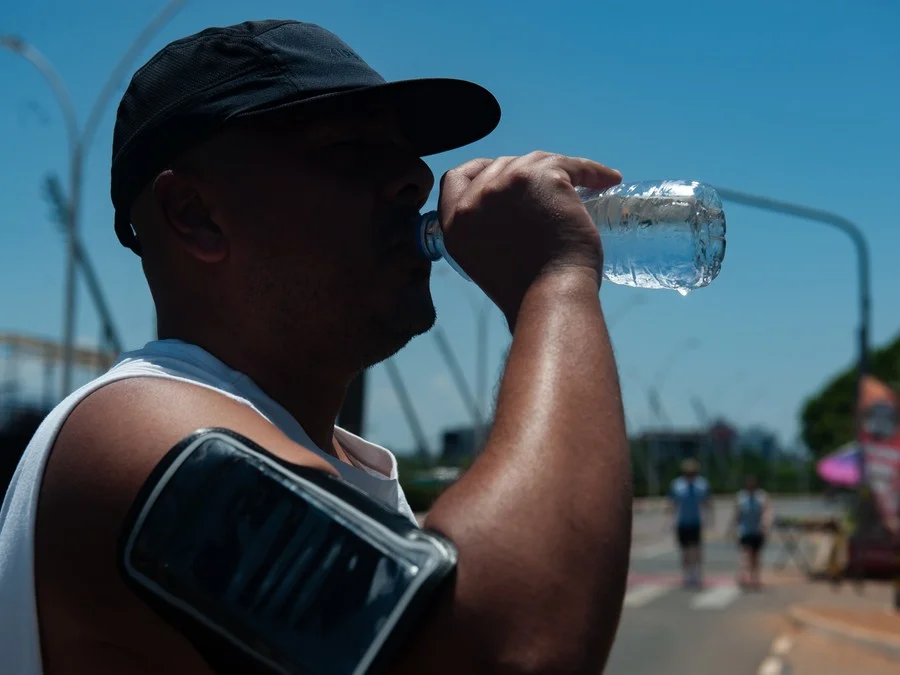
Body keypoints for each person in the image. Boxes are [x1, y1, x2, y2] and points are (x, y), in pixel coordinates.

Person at [0, 20, 633, 675]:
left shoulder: (324, 457)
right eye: (351, 150)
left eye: (407, 153)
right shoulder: (130, 431)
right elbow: (507, 651)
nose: (417, 178)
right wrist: (554, 282)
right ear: (195, 213)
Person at [668, 458, 712, 588]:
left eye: (692, 472)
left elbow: (707, 502)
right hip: (682, 522)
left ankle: (697, 574)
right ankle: (686, 575)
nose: (690, 474)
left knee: (696, 549)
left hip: (696, 522)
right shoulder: (677, 485)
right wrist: (669, 520)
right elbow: (672, 503)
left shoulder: (702, 484)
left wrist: (710, 519)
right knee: (685, 550)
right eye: (688, 472)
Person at [731, 475, 771, 589]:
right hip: (744, 530)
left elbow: (766, 512)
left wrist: (765, 525)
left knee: (756, 556)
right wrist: (733, 528)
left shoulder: (762, 496)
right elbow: (737, 514)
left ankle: (755, 578)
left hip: (757, 531)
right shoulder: (741, 497)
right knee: (745, 554)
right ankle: (744, 576)